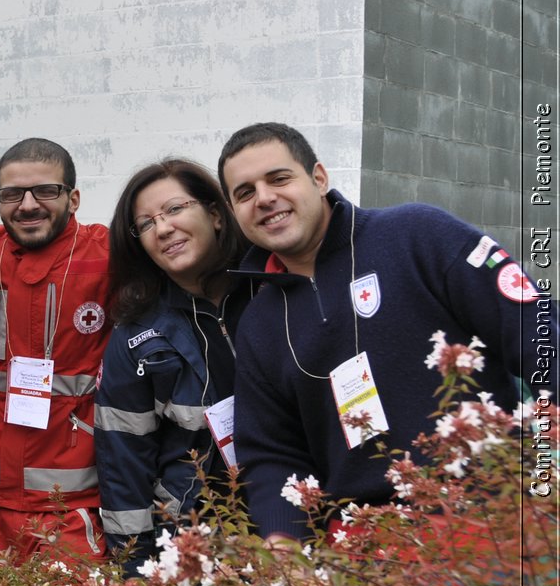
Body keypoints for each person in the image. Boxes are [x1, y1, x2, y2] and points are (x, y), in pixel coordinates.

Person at [219, 121, 547, 546]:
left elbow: (537, 338)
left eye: (279, 178)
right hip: (371, 551)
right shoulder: (259, 324)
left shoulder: (418, 235)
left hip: (493, 516)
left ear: (319, 178)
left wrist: (545, 477)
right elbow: (271, 454)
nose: (264, 198)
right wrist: (285, 549)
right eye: (245, 193)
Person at [0, 139, 112, 560]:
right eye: (11, 194)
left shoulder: (108, 256)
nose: (27, 205)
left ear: (73, 198)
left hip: (69, 498)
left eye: (45, 191)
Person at [94, 159, 249, 575]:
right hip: (193, 540)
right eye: (145, 224)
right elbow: (124, 463)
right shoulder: (135, 336)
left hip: (290, 520)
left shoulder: (272, 292)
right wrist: (134, 572)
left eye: (175, 209)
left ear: (215, 214)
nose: (162, 229)